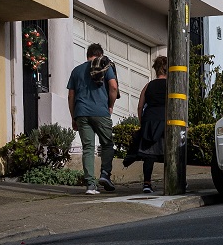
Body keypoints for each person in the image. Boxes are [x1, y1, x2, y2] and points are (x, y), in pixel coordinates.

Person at [67, 43, 118, 195]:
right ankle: (105, 174)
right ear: (100, 54)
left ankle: (90, 185)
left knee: (88, 148)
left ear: (87, 55)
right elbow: (113, 87)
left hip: (81, 112)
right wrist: (111, 105)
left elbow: (71, 96)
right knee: (107, 144)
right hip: (100, 112)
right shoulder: (105, 66)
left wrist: (73, 116)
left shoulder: (76, 70)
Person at [124, 56, 167, 193]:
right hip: (166, 120)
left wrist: (143, 122)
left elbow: (140, 106)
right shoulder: (172, 85)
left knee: (149, 154)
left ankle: (147, 184)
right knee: (171, 153)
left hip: (149, 119)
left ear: (156, 70)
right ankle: (177, 181)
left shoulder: (148, 85)